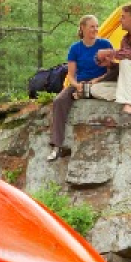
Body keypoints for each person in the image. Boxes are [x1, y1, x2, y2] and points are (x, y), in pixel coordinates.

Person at [47, 15, 114, 161]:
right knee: (59, 100)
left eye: (97, 26)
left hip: (100, 82)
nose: (95, 29)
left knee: (91, 89)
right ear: (82, 28)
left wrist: (96, 81)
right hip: (81, 83)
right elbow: (70, 75)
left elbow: (112, 70)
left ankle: (84, 93)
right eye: (92, 26)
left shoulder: (105, 44)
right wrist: (77, 85)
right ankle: (57, 145)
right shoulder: (75, 48)